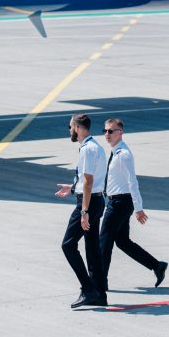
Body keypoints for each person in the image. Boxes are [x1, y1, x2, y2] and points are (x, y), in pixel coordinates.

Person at [99, 117, 168, 290]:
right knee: (122, 242)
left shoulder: (124, 155)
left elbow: (132, 182)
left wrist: (139, 208)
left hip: (119, 203)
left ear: (120, 132)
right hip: (118, 201)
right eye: (105, 131)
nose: (107, 134)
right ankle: (157, 266)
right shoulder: (116, 152)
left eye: (111, 131)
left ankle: (99, 283)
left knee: (104, 241)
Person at [55, 113, 107, 308]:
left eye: (70, 127)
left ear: (77, 127)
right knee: (93, 250)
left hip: (88, 204)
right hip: (96, 200)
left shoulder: (87, 149)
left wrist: (84, 211)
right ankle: (100, 295)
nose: (70, 131)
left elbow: (89, 181)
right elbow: (89, 181)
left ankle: (88, 289)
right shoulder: (96, 146)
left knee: (68, 245)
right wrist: (72, 188)